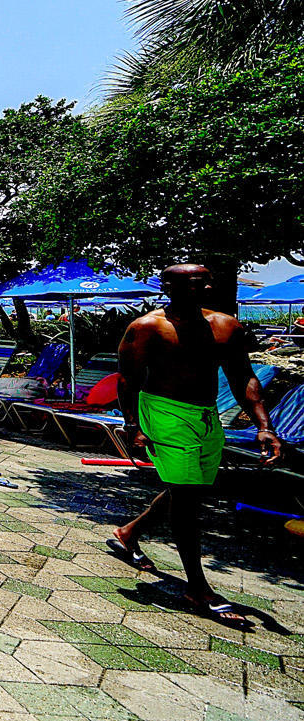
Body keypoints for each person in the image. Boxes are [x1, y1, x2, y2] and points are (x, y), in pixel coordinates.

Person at [111, 264, 280, 626]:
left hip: (206, 415)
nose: (204, 287)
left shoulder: (225, 326)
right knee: (188, 498)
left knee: (190, 489)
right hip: (163, 412)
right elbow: (127, 380)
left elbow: (243, 375)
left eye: (206, 281)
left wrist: (264, 424)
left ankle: (129, 533)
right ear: (168, 287)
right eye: (193, 283)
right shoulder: (146, 329)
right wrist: (132, 425)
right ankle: (198, 588)